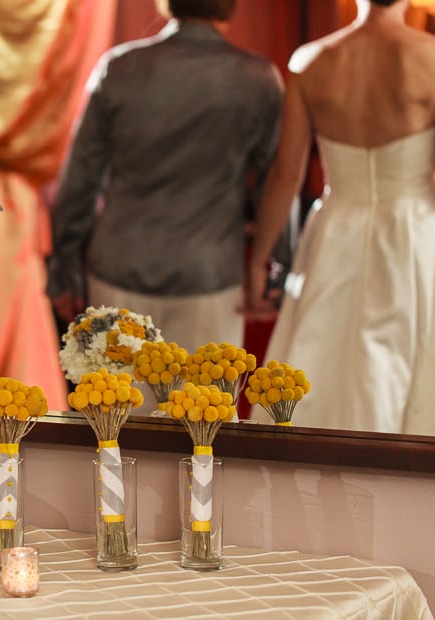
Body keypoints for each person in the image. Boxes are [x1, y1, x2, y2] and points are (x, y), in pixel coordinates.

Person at [47, 0, 291, 361]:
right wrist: (277, 264)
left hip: (118, 266)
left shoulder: (118, 67)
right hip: (208, 274)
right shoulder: (257, 79)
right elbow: (276, 183)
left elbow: (80, 180)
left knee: (112, 411)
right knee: (202, 411)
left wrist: (64, 265)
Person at [246, 0, 435, 435]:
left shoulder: (311, 61)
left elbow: (285, 175)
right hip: (415, 229)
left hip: (336, 229)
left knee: (322, 356)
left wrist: (260, 259)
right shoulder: (428, 57)